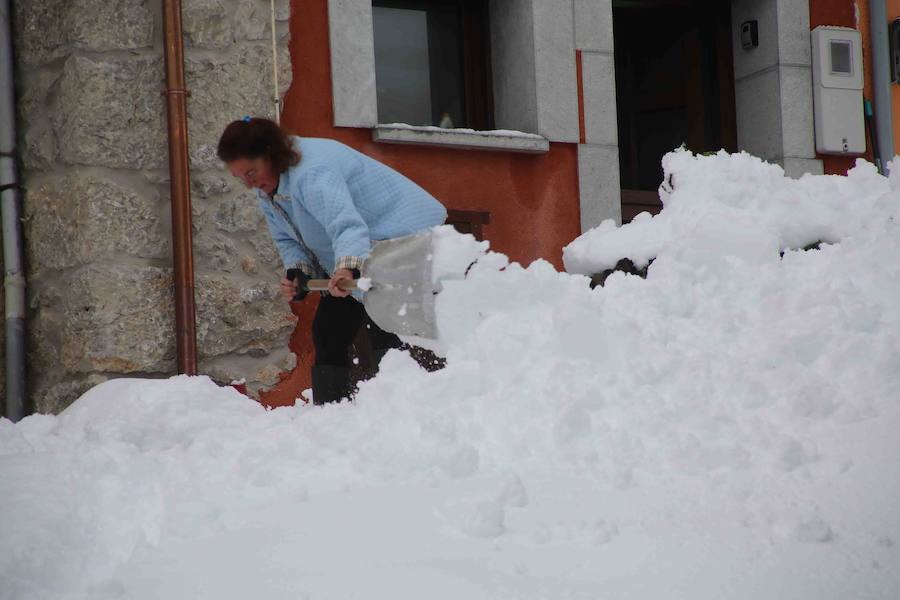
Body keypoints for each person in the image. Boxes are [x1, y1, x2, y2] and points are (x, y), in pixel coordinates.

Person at [217, 117, 447, 405]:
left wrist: (347, 268)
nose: (250, 184)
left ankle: (404, 412)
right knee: (328, 331)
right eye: (242, 179)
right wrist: (298, 272)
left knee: (385, 330)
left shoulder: (313, 172)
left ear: (270, 153)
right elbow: (288, 238)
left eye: (251, 172)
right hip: (357, 256)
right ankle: (330, 416)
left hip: (403, 242)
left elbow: (347, 226)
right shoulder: (270, 189)